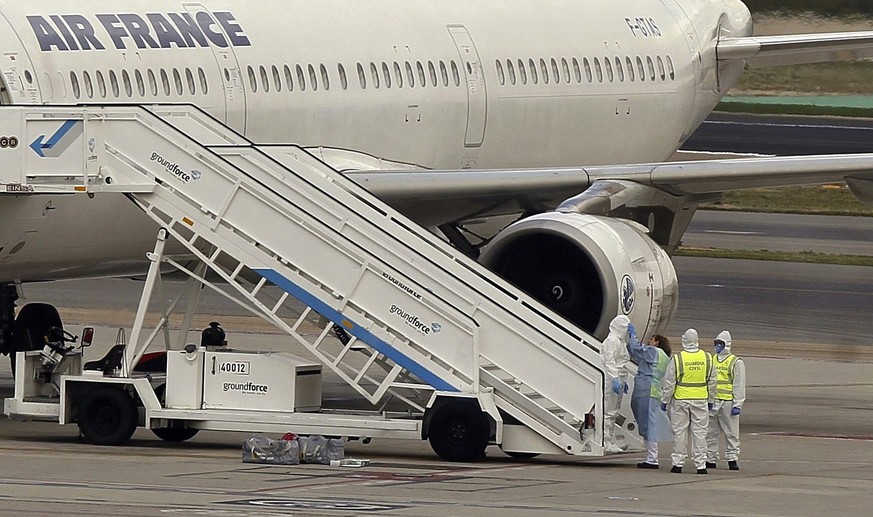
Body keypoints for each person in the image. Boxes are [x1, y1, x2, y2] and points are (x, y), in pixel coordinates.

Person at [661, 328, 717, 474]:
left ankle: (678, 464)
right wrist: (711, 399)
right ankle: (701, 465)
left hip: (681, 400)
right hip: (700, 399)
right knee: (700, 433)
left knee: (680, 432)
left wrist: (665, 400)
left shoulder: (678, 358)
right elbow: (712, 382)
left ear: (684, 340)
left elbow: (669, 382)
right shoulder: (707, 358)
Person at [627, 332, 672, 469]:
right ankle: (651, 456)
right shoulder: (663, 356)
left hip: (647, 389)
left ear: (657, 342)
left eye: (651, 339)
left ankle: (652, 458)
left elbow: (636, 350)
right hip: (652, 389)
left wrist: (633, 337)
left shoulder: (654, 352)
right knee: (648, 422)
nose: (648, 341)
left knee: (648, 424)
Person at [706, 330, 746, 471]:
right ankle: (710, 458)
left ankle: (732, 458)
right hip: (713, 401)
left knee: (731, 433)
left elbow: (739, 384)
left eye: (720, 343)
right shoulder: (711, 360)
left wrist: (738, 403)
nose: (717, 346)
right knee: (710, 432)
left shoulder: (735, 361)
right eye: (716, 343)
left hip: (728, 402)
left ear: (727, 344)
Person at [600, 315, 632, 453]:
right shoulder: (612, 340)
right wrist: (615, 378)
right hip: (612, 377)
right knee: (609, 411)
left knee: (614, 411)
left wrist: (621, 380)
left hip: (618, 376)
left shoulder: (619, 341)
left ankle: (611, 439)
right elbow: (609, 360)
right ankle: (606, 441)